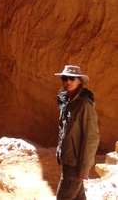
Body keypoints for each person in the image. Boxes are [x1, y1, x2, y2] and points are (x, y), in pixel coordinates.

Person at [55, 65, 100, 200]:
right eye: (65, 78)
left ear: (79, 81)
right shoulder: (67, 102)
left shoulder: (84, 105)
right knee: (78, 197)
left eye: (72, 78)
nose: (68, 81)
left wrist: (84, 169)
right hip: (68, 161)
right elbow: (63, 131)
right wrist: (60, 152)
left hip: (75, 165)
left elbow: (91, 138)